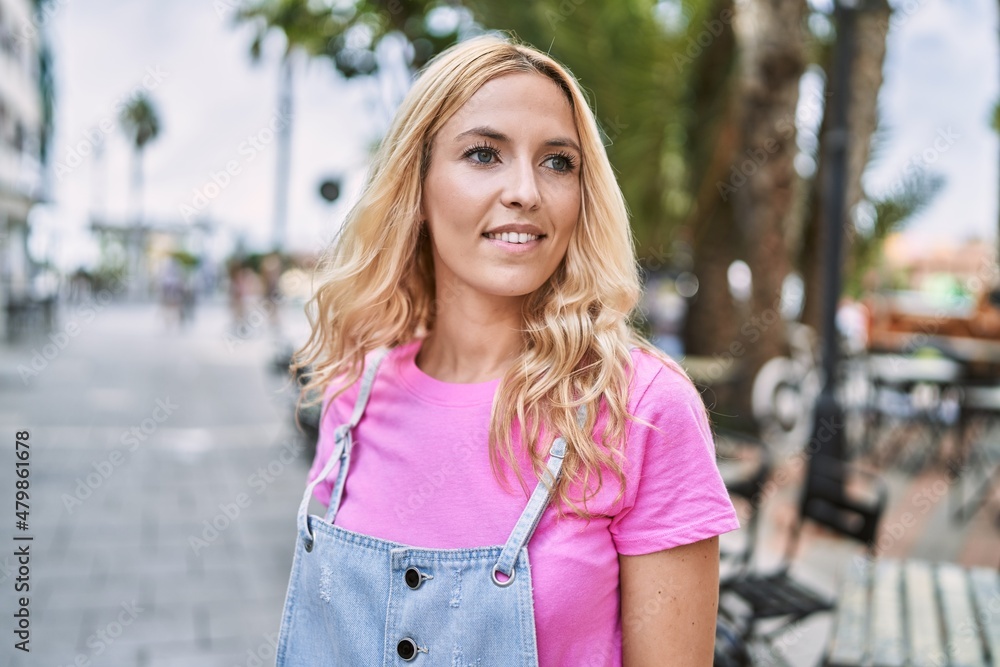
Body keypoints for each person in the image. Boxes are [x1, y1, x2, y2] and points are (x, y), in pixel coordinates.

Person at [278, 34, 739, 666]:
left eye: (557, 162)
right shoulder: (353, 394)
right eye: (484, 154)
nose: (526, 190)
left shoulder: (642, 409)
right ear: (418, 183)